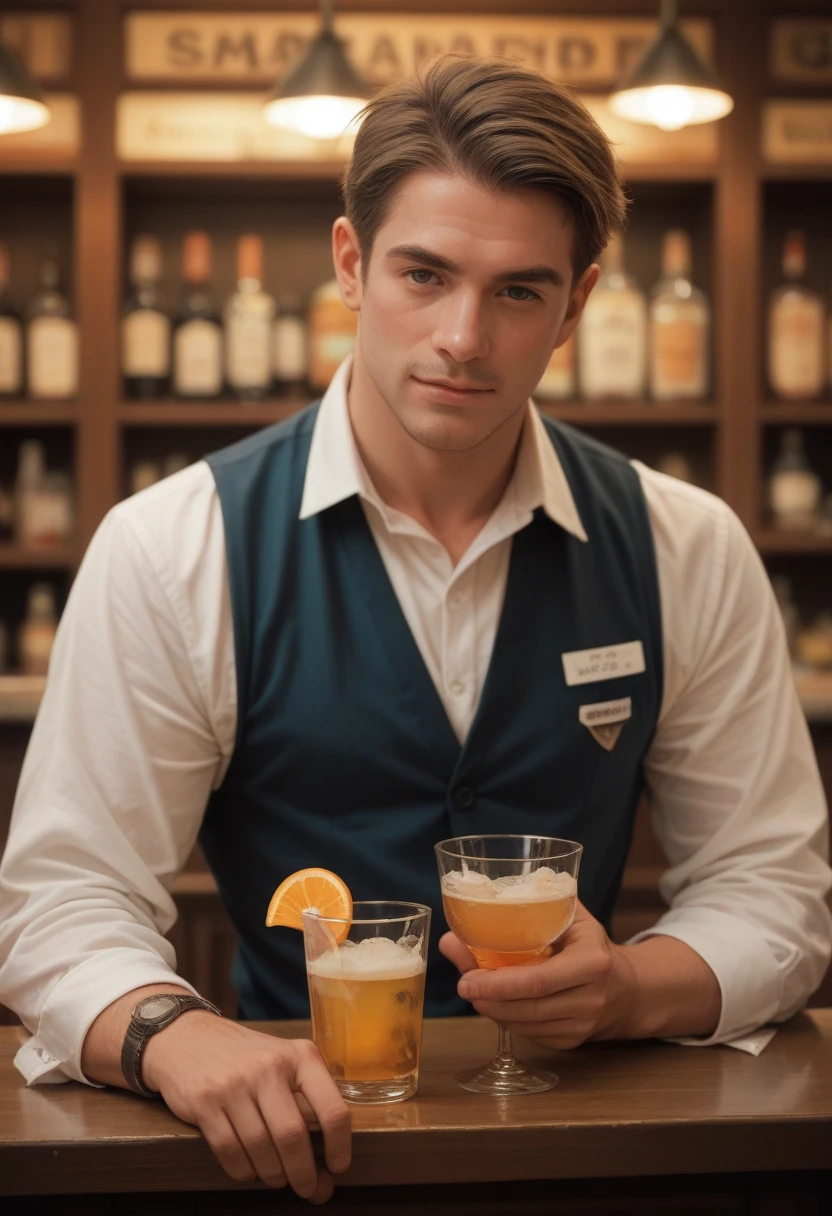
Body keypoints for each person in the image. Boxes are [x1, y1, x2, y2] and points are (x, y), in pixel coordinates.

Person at [1, 54, 830, 1206]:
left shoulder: (685, 543)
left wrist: (633, 988)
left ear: (578, 303)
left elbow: (772, 886)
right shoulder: (172, 544)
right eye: (424, 274)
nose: (462, 336)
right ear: (350, 262)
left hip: (598, 1149)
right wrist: (175, 1037)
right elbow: (65, 894)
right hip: (294, 1150)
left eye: (518, 292)